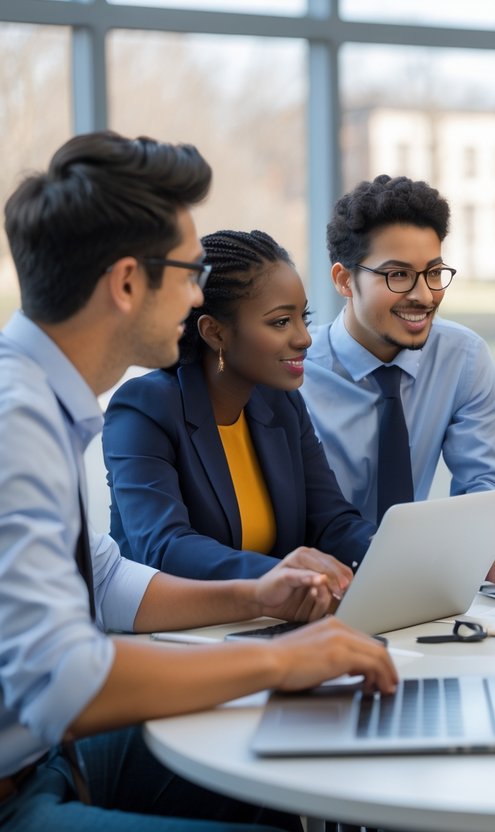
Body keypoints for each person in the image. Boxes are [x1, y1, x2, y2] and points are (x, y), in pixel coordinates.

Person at [0, 131, 395, 831]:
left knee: (300, 750)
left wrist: (255, 593)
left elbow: (105, 579)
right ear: (127, 283)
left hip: (51, 756)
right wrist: (280, 662)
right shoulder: (16, 422)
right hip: (21, 786)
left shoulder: (43, 401)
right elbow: (62, 682)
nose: (194, 295)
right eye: (188, 272)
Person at [301, 175, 495, 585]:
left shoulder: (462, 357)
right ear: (343, 280)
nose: (425, 296)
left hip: (415, 580)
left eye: (434, 273)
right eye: (398, 275)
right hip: (317, 580)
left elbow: (482, 484)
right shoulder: (298, 370)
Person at [104, 229, 378, 580]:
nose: (304, 338)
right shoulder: (145, 409)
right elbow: (165, 547)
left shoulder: (282, 404)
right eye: (281, 322)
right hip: (173, 615)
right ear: (214, 332)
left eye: (304, 318)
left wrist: (394, 553)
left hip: (269, 610)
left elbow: (331, 522)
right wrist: (282, 576)